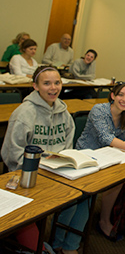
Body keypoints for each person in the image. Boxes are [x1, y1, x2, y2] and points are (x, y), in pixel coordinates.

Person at [1, 66, 75, 253]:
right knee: (29, 211)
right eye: (47, 83)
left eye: (57, 82)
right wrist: (39, 170)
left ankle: (63, 243)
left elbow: (68, 148)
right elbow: (12, 155)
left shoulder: (64, 113)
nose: (53, 88)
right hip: (27, 175)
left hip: (57, 173)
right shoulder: (24, 113)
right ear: (35, 86)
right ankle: (37, 247)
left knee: (81, 196)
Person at [76, 82, 125, 240]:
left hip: (107, 155)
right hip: (87, 155)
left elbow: (119, 141)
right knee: (116, 180)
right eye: (121, 95)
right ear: (113, 96)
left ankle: (116, 215)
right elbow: (106, 138)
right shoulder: (99, 110)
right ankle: (103, 221)